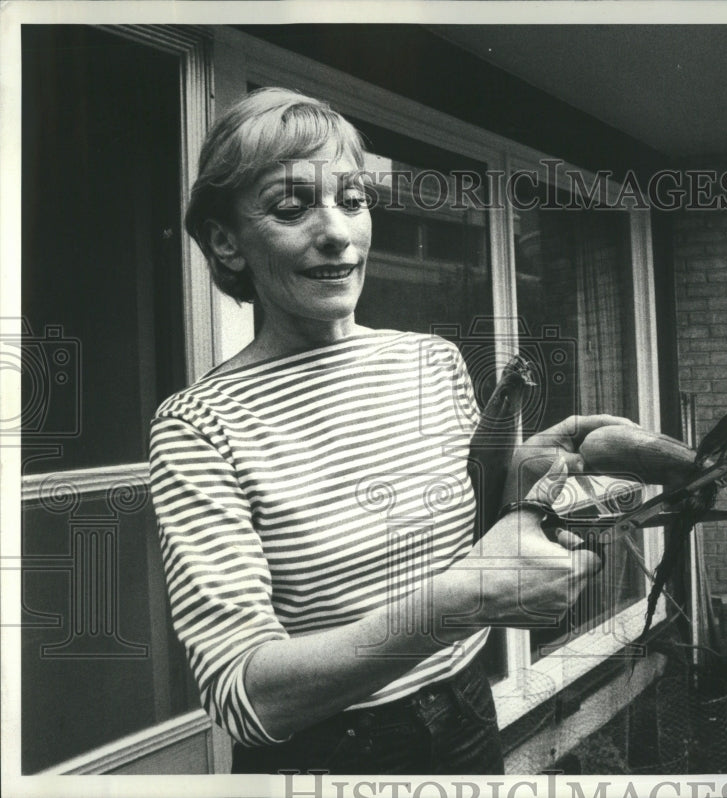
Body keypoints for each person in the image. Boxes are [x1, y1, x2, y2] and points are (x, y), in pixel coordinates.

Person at [148, 87, 631, 775]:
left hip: (467, 713)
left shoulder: (427, 360)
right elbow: (247, 695)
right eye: (292, 207)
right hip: (329, 755)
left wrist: (533, 470)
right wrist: (468, 597)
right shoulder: (199, 426)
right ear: (226, 240)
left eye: (352, 199)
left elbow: (472, 513)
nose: (338, 232)